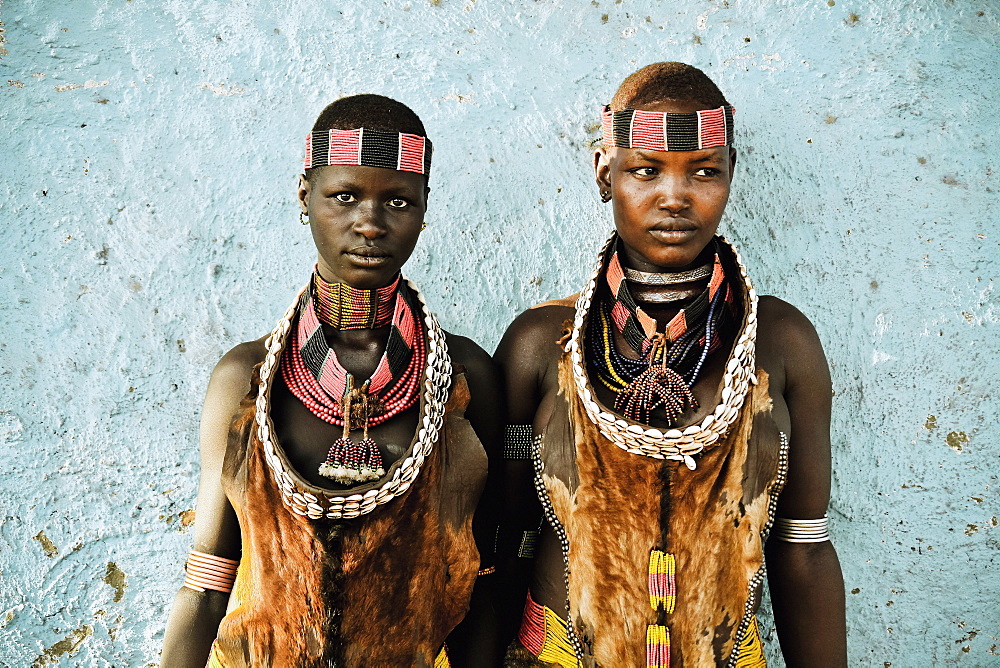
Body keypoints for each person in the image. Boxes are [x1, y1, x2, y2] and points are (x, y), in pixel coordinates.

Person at [495, 63, 847, 667]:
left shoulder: (779, 342)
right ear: (607, 174)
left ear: (732, 176)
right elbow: (502, 543)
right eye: (645, 170)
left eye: (704, 171)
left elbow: (804, 547)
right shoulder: (541, 344)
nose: (675, 197)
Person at [161, 94, 503, 667]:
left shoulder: (468, 378)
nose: (368, 223)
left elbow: (487, 573)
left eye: (397, 201)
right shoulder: (246, 379)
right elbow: (206, 582)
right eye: (343, 197)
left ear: (423, 209)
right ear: (305, 197)